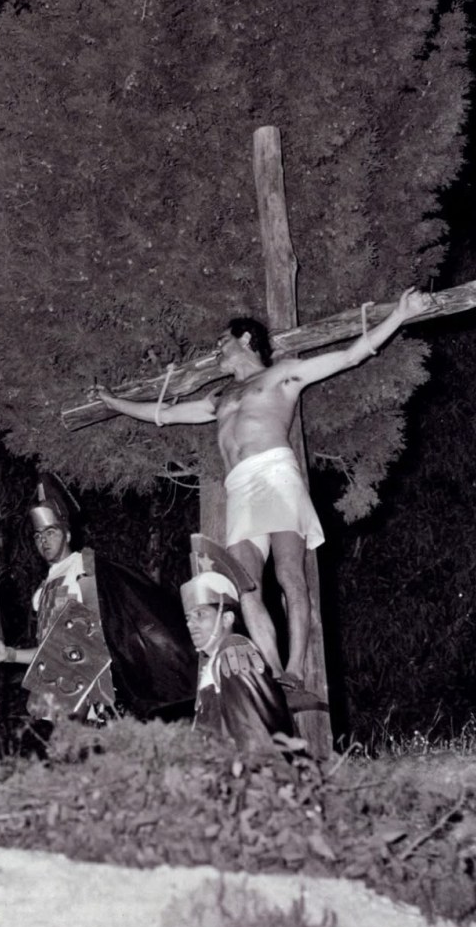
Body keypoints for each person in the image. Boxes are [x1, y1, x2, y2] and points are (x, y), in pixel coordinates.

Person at [94, 287, 431, 695]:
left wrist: (400, 314)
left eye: (222, 340)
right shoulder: (219, 398)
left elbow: (349, 356)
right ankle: (273, 673)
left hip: (276, 474)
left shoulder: (281, 374)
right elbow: (163, 414)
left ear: (246, 339)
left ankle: (295, 669)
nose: (216, 349)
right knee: (244, 585)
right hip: (240, 487)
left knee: (290, 575)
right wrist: (114, 402)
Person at [0, 475, 194, 722]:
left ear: (67, 535)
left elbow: (105, 629)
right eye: (38, 535)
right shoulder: (42, 593)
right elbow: (50, 651)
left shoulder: (85, 567)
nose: (44, 540)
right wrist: (10, 654)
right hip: (58, 690)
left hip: (89, 694)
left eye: (50, 532)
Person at [179, 535, 295, 752]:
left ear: (227, 618)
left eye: (200, 615)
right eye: (188, 618)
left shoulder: (234, 650)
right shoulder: (213, 662)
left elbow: (254, 731)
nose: (190, 624)